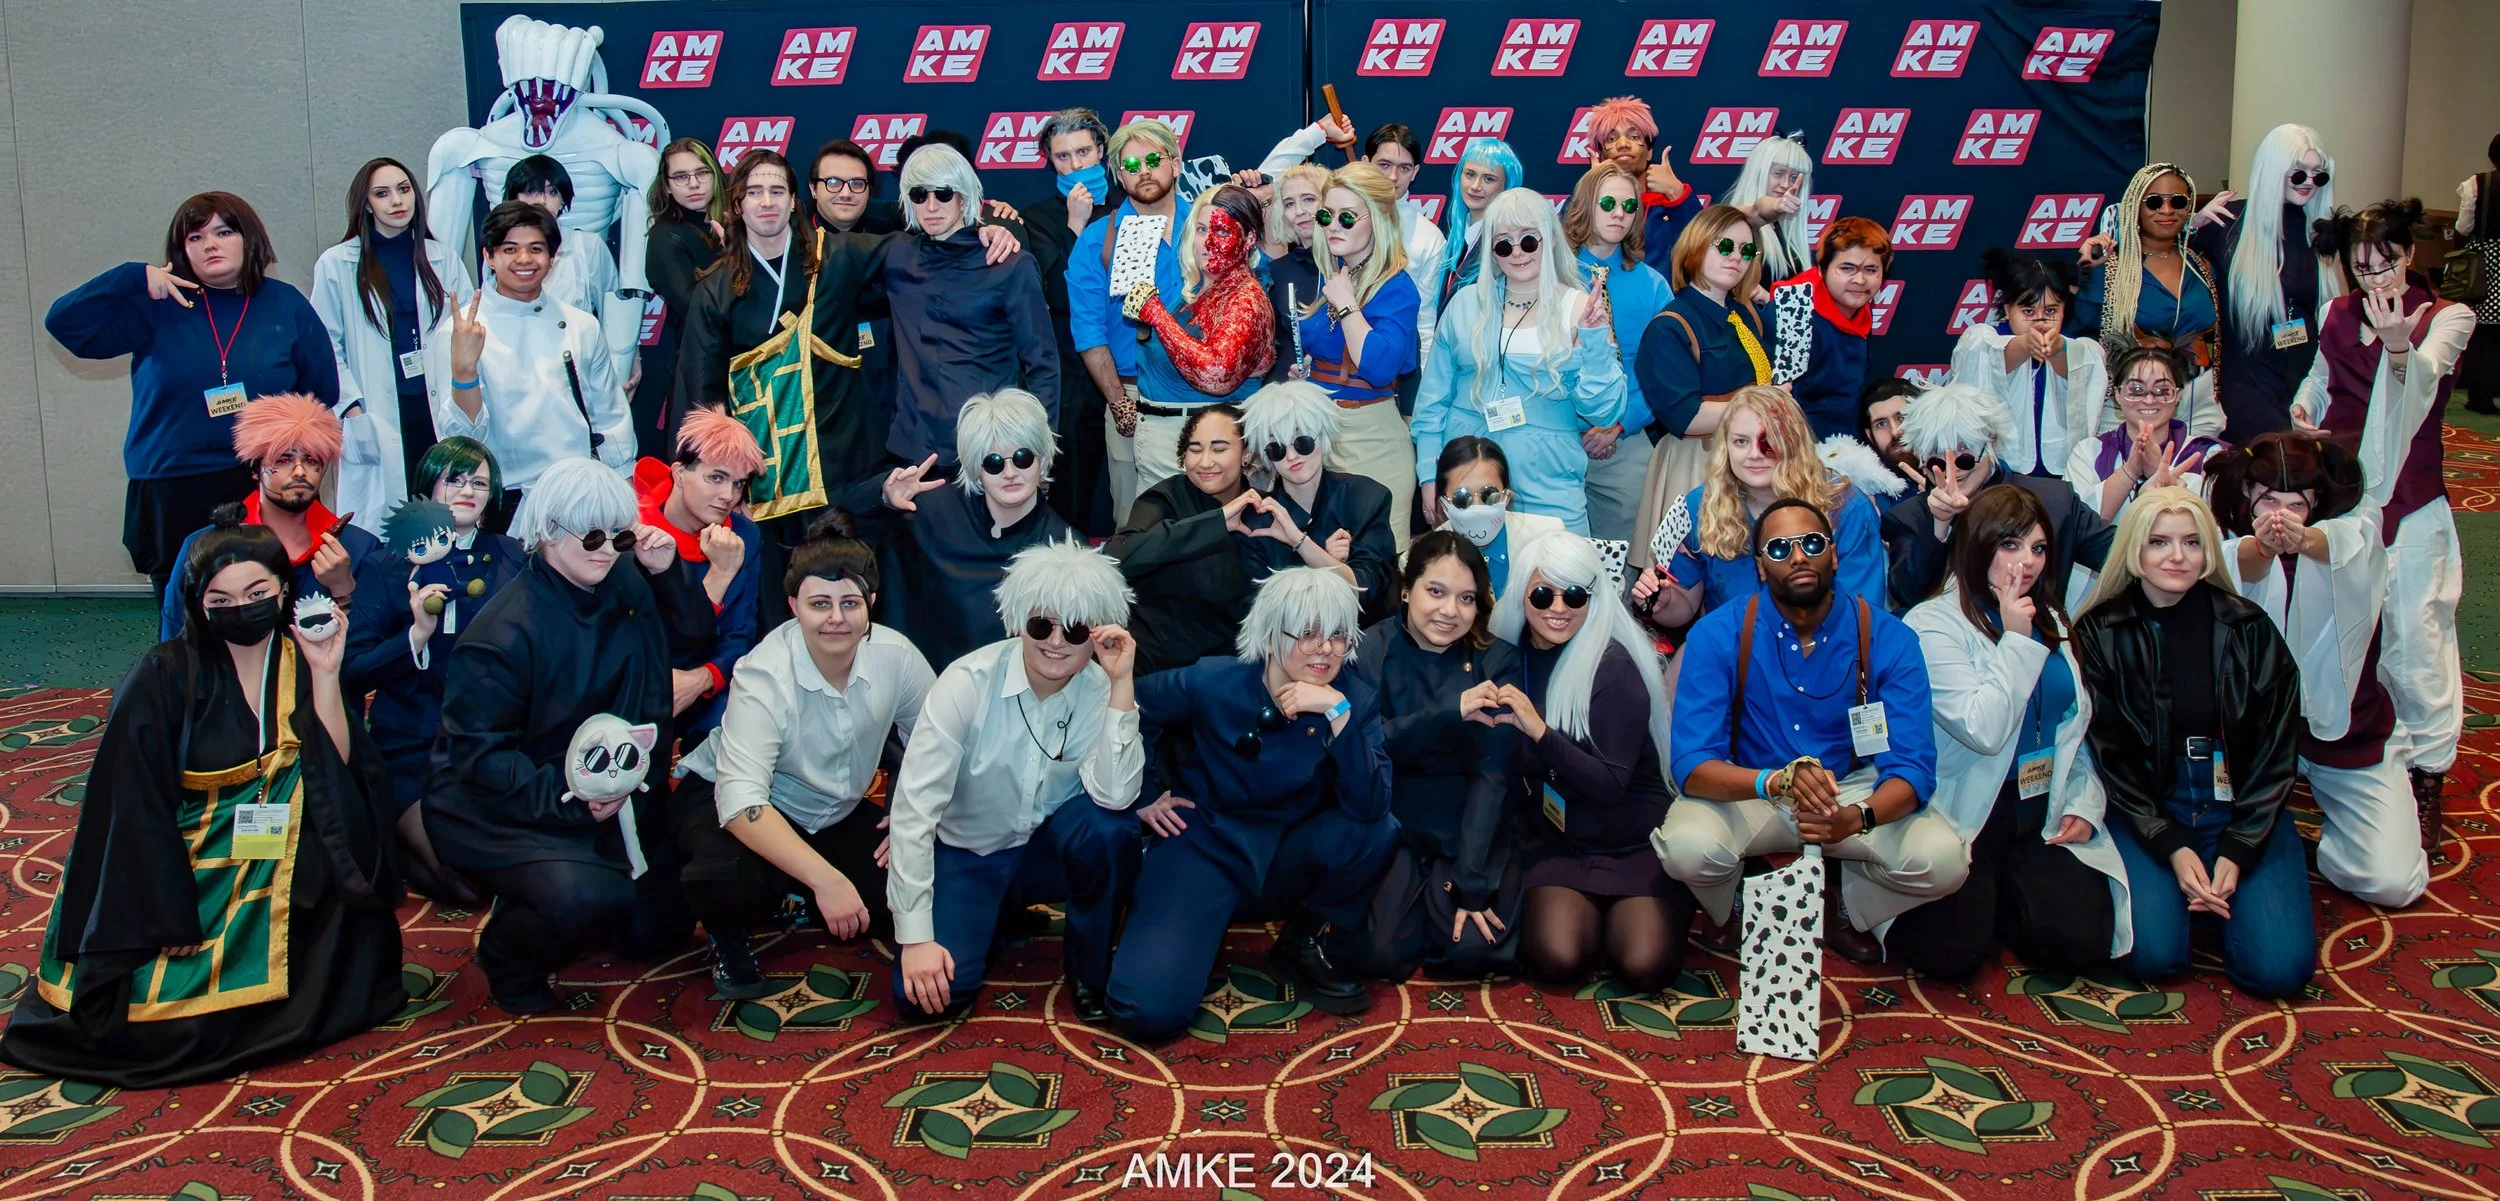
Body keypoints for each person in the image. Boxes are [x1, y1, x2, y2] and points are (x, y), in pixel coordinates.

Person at [1, 516, 402, 1087]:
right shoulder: (163, 674)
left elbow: (336, 770)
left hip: (275, 849)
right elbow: (129, 808)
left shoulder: (297, 656)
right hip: (178, 858)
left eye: (257, 594)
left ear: (283, 591)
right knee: (161, 1029)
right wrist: (166, 907)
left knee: (350, 934)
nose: (242, 609)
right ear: (199, 604)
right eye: (222, 600)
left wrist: (326, 673)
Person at [424, 458, 715, 1014]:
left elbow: (695, 638)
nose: (608, 550)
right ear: (549, 531)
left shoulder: (625, 575)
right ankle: (507, 956)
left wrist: (667, 573)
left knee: (662, 924)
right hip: (506, 804)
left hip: (611, 787)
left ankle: (576, 894)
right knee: (587, 898)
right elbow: (479, 758)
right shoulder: (503, 633)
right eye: (593, 536)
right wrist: (572, 797)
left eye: (620, 535)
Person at [1654, 498, 1958, 963]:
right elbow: (1692, 765)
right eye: (1779, 549)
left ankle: (1845, 904)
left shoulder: (1889, 638)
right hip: (1753, 787)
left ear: (1833, 555)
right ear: (1760, 566)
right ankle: (1732, 902)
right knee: (1685, 848)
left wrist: (1857, 819)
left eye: (1812, 544)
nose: (1798, 557)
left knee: (1944, 862)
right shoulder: (1717, 634)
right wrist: (1773, 781)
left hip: (1849, 791)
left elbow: (1913, 769)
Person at [1106, 567, 1394, 1040]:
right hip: (1204, 844)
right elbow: (1135, 707)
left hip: (1286, 855)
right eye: (1307, 633)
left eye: (1338, 635)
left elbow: (1372, 807)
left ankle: (1301, 939)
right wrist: (1142, 793)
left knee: (1377, 830)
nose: (1325, 648)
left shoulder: (1353, 700)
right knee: (1145, 1011)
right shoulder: (1214, 680)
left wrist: (1336, 713)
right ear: (1271, 634)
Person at [673, 516, 932, 997]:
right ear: (793, 606)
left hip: (832, 809)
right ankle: (733, 935)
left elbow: (938, 746)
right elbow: (740, 803)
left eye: (850, 603)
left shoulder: (897, 655)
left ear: (872, 603)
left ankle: (793, 891)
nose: (836, 618)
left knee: (906, 895)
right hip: (731, 803)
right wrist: (827, 880)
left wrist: (909, 813)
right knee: (723, 880)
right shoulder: (764, 674)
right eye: (819, 604)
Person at [887, 541, 1146, 1022]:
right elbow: (913, 812)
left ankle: (1089, 970)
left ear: (1098, 635)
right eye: (1041, 625)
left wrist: (1121, 685)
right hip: (969, 852)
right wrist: (916, 937)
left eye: (1075, 629)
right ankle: (996, 914)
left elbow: (1116, 797)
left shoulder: (1102, 690)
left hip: (1044, 853)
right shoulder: (966, 682)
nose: (1055, 642)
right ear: (1018, 621)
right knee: (924, 1000)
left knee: (1111, 831)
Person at [2071, 487, 2312, 998]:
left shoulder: (2249, 627)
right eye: (2159, 542)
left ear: (2208, 552)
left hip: (2241, 806)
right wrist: (2171, 845)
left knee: (2280, 971)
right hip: (2149, 809)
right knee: (2153, 956)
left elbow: (2277, 751)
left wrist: (2240, 847)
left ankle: (2220, 893)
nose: (2177, 556)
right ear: (2134, 550)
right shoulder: (2099, 632)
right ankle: (2194, 893)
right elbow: (2111, 757)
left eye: (2192, 542)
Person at [47, 191, 340, 599]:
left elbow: (321, 392)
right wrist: (132, 277)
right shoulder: (158, 304)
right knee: (184, 607)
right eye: (195, 237)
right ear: (181, 250)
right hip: (172, 484)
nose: (210, 245)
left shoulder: (285, 303)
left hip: (262, 480)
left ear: (249, 238)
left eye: (223, 232)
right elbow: (65, 325)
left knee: (273, 600)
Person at [2293, 199, 2475, 848]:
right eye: (2362, 266)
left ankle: (2430, 772)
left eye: (2387, 262)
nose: (2375, 277)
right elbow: (2320, 379)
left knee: (2416, 636)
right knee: (2335, 623)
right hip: (2343, 500)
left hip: (2412, 502)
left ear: (2411, 254)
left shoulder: (2448, 317)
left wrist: (2400, 346)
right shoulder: (2336, 313)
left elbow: (2417, 391)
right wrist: (2304, 407)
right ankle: (2332, 748)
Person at [1891, 485, 2128, 979]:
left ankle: (2008, 896)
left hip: (2038, 804)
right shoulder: (1932, 623)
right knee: (1952, 957)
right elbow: (1985, 730)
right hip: (1966, 808)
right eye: (2010, 545)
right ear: (1978, 544)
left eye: (2039, 548)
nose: (2028, 562)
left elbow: (2072, 725)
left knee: (2081, 943)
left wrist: (2084, 801)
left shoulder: (2051, 616)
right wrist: (2017, 640)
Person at [2208, 434, 2426, 905]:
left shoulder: (2351, 529)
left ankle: (2326, 838)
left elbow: (2347, 545)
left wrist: (2303, 539)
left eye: (2297, 505)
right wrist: (2263, 548)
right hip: (2245, 737)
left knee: (2392, 881)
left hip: (2344, 735)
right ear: (2248, 494)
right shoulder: (2223, 532)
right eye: (2269, 501)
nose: (2282, 516)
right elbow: (2229, 566)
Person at [1486, 534, 1693, 992]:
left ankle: (1621, 919)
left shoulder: (1614, 666)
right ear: (1522, 595)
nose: (1559, 608)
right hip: (1560, 842)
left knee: (1645, 966)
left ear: (1593, 598)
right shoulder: (1507, 657)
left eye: (1575, 595)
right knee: (1558, 958)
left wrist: (1540, 732)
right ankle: (1597, 923)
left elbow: (1609, 786)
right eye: (1543, 594)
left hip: (1631, 841)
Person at [1349, 532, 1524, 980]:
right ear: (1407, 590)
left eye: (1466, 598)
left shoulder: (1497, 660)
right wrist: (1451, 713)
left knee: (1473, 951)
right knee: (1380, 956)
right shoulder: (1369, 649)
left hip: (1470, 826)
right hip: (1395, 823)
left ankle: (1438, 902)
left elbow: (1494, 778)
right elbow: (1365, 748)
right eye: (1436, 591)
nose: (1450, 611)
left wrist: (1472, 881)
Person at [359, 436, 520, 905]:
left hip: (491, 743)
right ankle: (402, 850)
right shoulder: (386, 565)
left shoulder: (513, 557)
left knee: (504, 871)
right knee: (464, 881)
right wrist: (414, 636)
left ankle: (406, 851)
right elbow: (353, 669)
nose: (468, 490)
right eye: (454, 479)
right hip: (411, 744)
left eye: (480, 483)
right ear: (428, 487)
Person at [1413, 187, 1625, 537]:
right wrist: (1428, 475)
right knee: (1467, 573)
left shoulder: (1580, 308)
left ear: (1550, 239)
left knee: (1558, 569)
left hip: (1550, 482)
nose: (1517, 252)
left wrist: (1593, 340)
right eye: (1503, 244)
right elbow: (1432, 403)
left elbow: (1604, 411)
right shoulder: (1464, 305)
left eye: (1528, 240)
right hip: (1468, 483)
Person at [849, 388, 1074, 673]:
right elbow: (839, 531)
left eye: (1022, 457)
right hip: (919, 683)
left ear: (1042, 459)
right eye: (993, 462)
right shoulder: (929, 512)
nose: (1010, 473)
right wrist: (884, 496)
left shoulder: (1065, 550)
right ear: (975, 467)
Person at [431, 201, 635, 506]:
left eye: (536, 249)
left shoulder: (581, 325)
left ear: (553, 257)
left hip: (577, 492)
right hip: (503, 498)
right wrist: (464, 371)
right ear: (488, 257)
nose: (524, 259)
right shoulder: (459, 332)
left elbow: (609, 415)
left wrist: (626, 490)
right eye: (510, 249)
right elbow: (458, 438)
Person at [1632, 386, 1887, 627]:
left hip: (1823, 645)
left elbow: (1860, 617)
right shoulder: (1700, 506)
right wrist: (1663, 602)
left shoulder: (1845, 506)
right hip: (1732, 645)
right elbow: (1684, 604)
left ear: (1795, 442)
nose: (1754, 454)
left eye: (1769, 440)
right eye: (1741, 442)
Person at [156, 395, 390, 653]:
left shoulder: (359, 547)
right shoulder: (206, 547)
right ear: (255, 469)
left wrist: (345, 591)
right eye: (283, 459)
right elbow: (176, 642)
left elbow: (370, 654)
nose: (299, 471)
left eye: (312, 460)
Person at [313, 157, 474, 528]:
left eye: (403, 189)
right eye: (382, 194)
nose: (397, 201)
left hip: (434, 406)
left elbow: (466, 331)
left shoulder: (443, 258)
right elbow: (326, 346)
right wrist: (353, 410)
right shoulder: (337, 264)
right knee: (383, 526)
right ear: (366, 204)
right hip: (375, 411)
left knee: (443, 513)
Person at [880, 144, 1057, 468]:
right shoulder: (896, 256)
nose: (931, 205)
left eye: (944, 193)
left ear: (964, 196)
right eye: (919, 195)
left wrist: (1038, 454)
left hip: (988, 451)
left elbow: (1042, 364)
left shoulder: (1009, 263)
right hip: (912, 452)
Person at [1883, 382, 2114, 612]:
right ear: (1922, 460)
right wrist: (1939, 526)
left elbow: (2121, 556)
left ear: (1991, 443)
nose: (1953, 468)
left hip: (2040, 630)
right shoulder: (1908, 518)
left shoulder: (2054, 501)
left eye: (1965, 453)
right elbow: (1910, 598)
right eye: (1937, 457)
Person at [2189, 124, 2343, 440]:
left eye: (2318, 175)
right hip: (2247, 376)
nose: (2309, 182)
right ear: (2273, 169)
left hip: (2303, 376)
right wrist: (2192, 223)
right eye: (2298, 173)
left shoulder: (2319, 231)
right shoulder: (2230, 222)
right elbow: (2157, 251)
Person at [1296, 163, 1423, 546]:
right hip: (1320, 436)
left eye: (1347, 217)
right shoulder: (1335, 275)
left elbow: (1379, 368)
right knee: (1320, 563)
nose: (1333, 226)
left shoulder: (1396, 287)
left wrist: (1348, 305)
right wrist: (1308, 376)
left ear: (1379, 220)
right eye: (1326, 215)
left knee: (1377, 567)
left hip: (1371, 438)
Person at [1068, 118, 1187, 523]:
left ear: (1175, 163)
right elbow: (1088, 331)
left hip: (1208, 395)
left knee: (1213, 524)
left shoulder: (1209, 227)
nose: (1144, 172)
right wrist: (1118, 402)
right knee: (1135, 525)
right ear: (1119, 176)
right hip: (1134, 397)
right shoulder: (1097, 239)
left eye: (1153, 160)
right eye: (1131, 165)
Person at [1631, 205, 1771, 548]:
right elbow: (1686, 416)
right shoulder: (1669, 326)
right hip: (1697, 463)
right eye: (1725, 246)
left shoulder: (1746, 313)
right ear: (1696, 245)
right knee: (1694, 567)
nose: (1736, 257)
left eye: (1746, 250)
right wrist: (1761, 404)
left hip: (1756, 459)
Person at [1123, 183, 1275, 486]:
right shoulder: (1199, 290)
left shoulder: (1245, 299)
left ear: (1249, 239)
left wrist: (1156, 315)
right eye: (1202, 229)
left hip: (1205, 447)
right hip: (1167, 441)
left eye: (1222, 232)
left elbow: (1216, 374)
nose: (1208, 242)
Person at [634, 408, 765, 738]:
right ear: (679, 473)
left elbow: (740, 635)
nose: (728, 496)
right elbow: (643, 642)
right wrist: (719, 575)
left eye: (738, 484)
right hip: (641, 685)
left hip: (711, 691)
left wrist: (702, 679)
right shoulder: (635, 534)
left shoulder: (743, 537)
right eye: (716, 478)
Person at [1022, 110, 1124, 535]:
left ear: (1101, 151)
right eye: (1063, 156)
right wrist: (1076, 228)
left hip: (1132, 366)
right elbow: (1059, 297)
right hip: (1072, 376)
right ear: (1051, 161)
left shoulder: (1129, 207)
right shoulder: (1037, 219)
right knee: (1074, 493)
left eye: (1083, 152)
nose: (1075, 164)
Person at [1105, 404, 1259, 675]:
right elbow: (1118, 556)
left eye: (1219, 449)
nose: (1205, 462)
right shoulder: (1165, 498)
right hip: (1157, 665)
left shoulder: (1262, 509)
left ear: (1246, 454)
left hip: (1230, 669)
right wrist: (1216, 522)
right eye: (1195, 450)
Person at [1252, 116, 1446, 331]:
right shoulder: (1335, 207)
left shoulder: (1428, 238)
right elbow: (1275, 181)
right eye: (1384, 165)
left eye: (1404, 168)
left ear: (1415, 172)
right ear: (1365, 163)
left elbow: (1425, 319)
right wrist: (1319, 130)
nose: (1392, 177)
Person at [1565, 162, 1673, 541]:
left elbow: (1665, 373)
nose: (1619, 213)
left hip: (1625, 439)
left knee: (1629, 557)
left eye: (1629, 206)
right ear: (1585, 205)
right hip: (1554, 435)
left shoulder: (1653, 285)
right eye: (1608, 203)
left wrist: (1619, 425)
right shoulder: (1547, 273)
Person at [2074, 163, 2222, 438]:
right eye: (2154, 202)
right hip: (2130, 401)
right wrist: (2085, 269)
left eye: (2178, 202)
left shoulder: (2199, 267)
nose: (2167, 210)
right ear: (2135, 207)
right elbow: (2078, 337)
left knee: (2195, 464)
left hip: (2196, 399)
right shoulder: (2110, 268)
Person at [1238, 381, 1398, 623]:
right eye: (1276, 448)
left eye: (1302, 442)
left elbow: (1364, 591)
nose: (1291, 456)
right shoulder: (1256, 518)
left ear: (1322, 436)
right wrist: (1326, 562)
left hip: (1363, 638)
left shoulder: (1366, 497)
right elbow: (1258, 610)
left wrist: (1300, 543)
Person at [1949, 250, 2107, 478]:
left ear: (2064, 309)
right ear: (2007, 309)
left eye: (2051, 310)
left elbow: (2081, 365)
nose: (2040, 321)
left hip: (2060, 476)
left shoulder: (2078, 348)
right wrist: (2024, 345)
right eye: (2028, 311)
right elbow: (1991, 356)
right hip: (1995, 477)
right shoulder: (1981, 339)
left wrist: (2058, 349)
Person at [504, 155, 634, 392]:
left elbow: (614, 315)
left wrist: (629, 361)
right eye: (531, 191)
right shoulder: (500, 252)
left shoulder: (588, 247)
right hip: (516, 374)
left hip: (578, 375)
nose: (541, 201)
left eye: (552, 192)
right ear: (514, 198)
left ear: (563, 200)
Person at [639, 137, 726, 459]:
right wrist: (732, 256)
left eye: (702, 173)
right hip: (703, 370)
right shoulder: (665, 238)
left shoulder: (735, 224)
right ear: (666, 186)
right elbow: (697, 311)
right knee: (708, 467)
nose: (693, 184)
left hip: (750, 365)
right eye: (681, 176)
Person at [1767, 217, 1891, 441]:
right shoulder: (1794, 310)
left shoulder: (1860, 307)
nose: (1860, 280)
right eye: (1847, 268)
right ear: (1822, 269)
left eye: (1871, 269)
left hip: (1847, 442)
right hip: (1800, 446)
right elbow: (1778, 403)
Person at [2067, 346, 2224, 522]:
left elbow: (2212, 528)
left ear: (2178, 395)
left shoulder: (2207, 454)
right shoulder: (2089, 452)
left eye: (2162, 391)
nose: (2149, 400)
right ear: (2117, 394)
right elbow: (2078, 525)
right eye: (2136, 390)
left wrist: (2158, 471)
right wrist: (2130, 471)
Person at [1430, 436, 1564, 603]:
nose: (1477, 508)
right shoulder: (1426, 559)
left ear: (1507, 497)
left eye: (1489, 495)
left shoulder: (1549, 538)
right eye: (1462, 498)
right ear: (1443, 505)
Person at [1579, 96, 1701, 274]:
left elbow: (1705, 246)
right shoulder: (1586, 198)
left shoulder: (1667, 205)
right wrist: (1591, 189)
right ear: (1601, 155)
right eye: (1611, 139)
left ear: (1649, 151)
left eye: (1634, 136)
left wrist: (1676, 193)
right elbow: (1565, 244)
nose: (1623, 144)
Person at [1260, 163, 1331, 378]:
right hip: (1283, 389)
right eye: (1289, 204)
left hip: (1339, 389)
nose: (1299, 211)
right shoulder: (1274, 273)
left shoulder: (1351, 266)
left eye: (1308, 199)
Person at [1437, 139, 1525, 308]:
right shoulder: (1451, 232)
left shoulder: (1509, 244)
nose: (1475, 186)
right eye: (1470, 174)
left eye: (1489, 179)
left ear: (1507, 186)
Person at [1726, 136, 1817, 284]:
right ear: (1758, 173)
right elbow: (1754, 211)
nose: (1786, 184)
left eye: (1794, 177)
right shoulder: (1733, 222)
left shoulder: (1785, 232)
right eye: (1779, 173)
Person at [2455, 134, 2500, 415]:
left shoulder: (2477, 183)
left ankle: (2479, 397)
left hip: (2485, 265)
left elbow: (2463, 227)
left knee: (2482, 334)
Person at [807, 139, 902, 236]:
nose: (846, 194)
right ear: (813, 189)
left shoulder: (890, 238)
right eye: (834, 182)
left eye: (856, 183)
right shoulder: (799, 237)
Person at [1858, 378, 1925, 492]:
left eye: (1903, 417)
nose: (1896, 431)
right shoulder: (1869, 495)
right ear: (1870, 436)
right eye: (1881, 424)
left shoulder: (1956, 467)